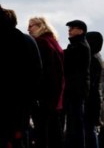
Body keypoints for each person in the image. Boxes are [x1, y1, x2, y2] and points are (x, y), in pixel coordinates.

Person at [0, 6, 42, 148]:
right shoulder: (28, 40)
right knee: (18, 136)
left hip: (7, 100)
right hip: (23, 99)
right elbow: (37, 70)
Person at [28, 16, 65, 148]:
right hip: (55, 92)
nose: (28, 29)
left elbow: (41, 70)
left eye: (31, 25)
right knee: (54, 129)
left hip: (44, 93)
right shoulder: (54, 42)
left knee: (42, 130)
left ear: (40, 26)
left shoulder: (41, 43)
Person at [63, 19, 91, 148]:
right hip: (76, 88)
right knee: (74, 121)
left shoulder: (80, 46)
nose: (69, 30)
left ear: (81, 30)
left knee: (75, 121)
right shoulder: (78, 45)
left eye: (72, 28)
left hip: (75, 89)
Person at [86, 31, 104, 148]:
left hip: (90, 99)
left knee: (88, 130)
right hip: (94, 99)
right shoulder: (97, 57)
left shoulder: (92, 59)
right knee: (90, 130)